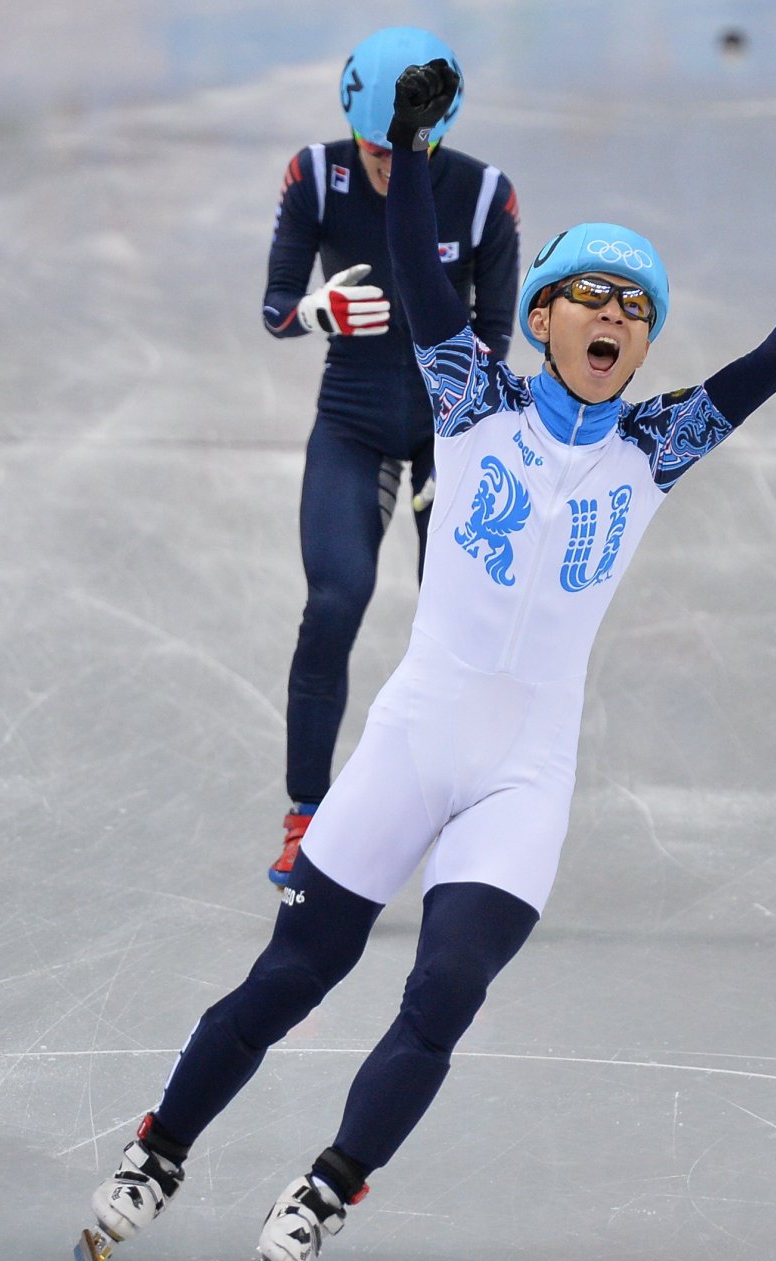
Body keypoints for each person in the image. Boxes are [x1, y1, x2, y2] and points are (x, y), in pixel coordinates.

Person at [84, 59, 776, 1261]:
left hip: (523, 775)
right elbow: (418, 273)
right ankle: (158, 1153)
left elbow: (769, 369)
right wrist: (409, 149)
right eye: (594, 295)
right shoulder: (471, 400)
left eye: (639, 306)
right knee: (290, 976)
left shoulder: (656, 446)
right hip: (414, 741)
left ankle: (325, 1188)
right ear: (546, 317)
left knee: (446, 990)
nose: (617, 317)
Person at [262, 27, 520, 887]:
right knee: (336, 602)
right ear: (350, 127)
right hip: (356, 421)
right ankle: (306, 816)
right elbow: (274, 308)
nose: (385, 165)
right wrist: (317, 314)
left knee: (458, 628)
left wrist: (461, 431)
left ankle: (457, 822)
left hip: (449, 433)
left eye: (405, 148)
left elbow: (495, 338)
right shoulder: (312, 174)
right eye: (373, 149)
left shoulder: (484, 195)